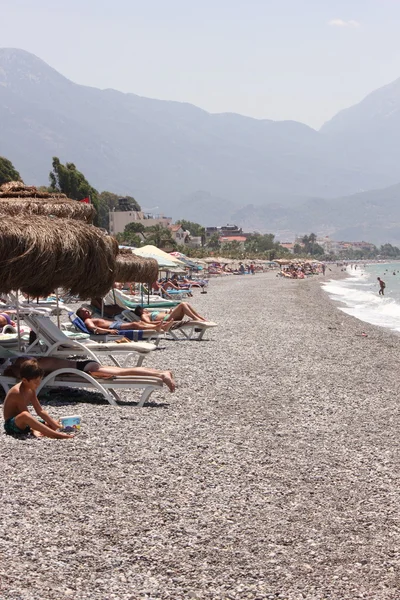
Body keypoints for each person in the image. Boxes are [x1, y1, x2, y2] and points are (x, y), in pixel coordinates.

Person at [3, 356, 176, 393]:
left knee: (124, 372)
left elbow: (22, 375)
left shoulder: (31, 366)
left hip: (82, 369)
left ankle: (161, 374)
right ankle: (160, 373)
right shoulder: (37, 359)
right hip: (83, 364)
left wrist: (10, 369)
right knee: (123, 371)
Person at [3, 359, 74, 439]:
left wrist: (55, 425)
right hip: (12, 425)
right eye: (35, 382)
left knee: (49, 424)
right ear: (24, 380)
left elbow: (40, 411)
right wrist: (33, 428)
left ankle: (54, 428)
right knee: (26, 415)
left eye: (40, 381)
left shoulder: (30, 389)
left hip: (25, 421)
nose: (38, 384)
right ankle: (55, 435)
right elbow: (25, 414)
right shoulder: (17, 392)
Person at [76, 307, 173, 334]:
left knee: (139, 323)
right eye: (83, 312)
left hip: (114, 324)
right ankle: (157, 328)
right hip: (113, 327)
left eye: (86, 310)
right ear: (81, 316)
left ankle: (161, 327)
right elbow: (94, 328)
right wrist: (109, 331)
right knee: (135, 324)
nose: (86, 312)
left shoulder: (91, 318)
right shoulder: (87, 321)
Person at [134, 302, 212, 324]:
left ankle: (200, 318)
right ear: (141, 310)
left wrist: (170, 312)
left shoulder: (148, 313)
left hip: (170, 317)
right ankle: (196, 318)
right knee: (182, 304)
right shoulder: (144, 315)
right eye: (144, 308)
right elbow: (149, 322)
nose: (146, 309)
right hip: (168, 320)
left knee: (186, 304)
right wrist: (162, 322)